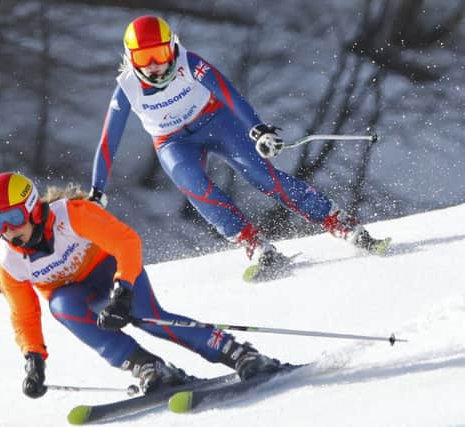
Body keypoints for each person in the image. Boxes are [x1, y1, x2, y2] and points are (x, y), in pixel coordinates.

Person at [88, 15, 389, 279]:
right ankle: (253, 243)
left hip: (215, 120)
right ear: (131, 59)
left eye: (159, 53)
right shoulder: (127, 87)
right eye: (144, 58)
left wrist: (256, 129)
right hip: (172, 141)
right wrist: (97, 190)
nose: (154, 66)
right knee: (191, 182)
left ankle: (338, 221)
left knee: (260, 175)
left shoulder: (188, 63)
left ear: (171, 47)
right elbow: (107, 140)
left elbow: (227, 92)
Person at [0, 171, 286, 398]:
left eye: (11, 218)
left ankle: (238, 353)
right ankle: (148, 367)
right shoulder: (8, 260)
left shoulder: (72, 216)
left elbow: (126, 243)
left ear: (33, 207)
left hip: (113, 271)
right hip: (78, 294)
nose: (7, 231)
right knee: (61, 305)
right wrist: (33, 358)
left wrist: (123, 290)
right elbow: (24, 313)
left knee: (147, 317)